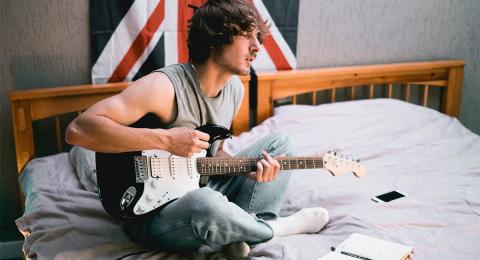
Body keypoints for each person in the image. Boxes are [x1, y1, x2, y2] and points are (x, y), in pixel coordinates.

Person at [66, 0, 328, 257]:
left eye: (258, 37)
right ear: (216, 38)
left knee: (281, 145)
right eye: (247, 35)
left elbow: (214, 155)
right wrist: (166, 141)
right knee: (206, 204)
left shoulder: (234, 89)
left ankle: (240, 232)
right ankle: (269, 228)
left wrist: (248, 170)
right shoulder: (164, 87)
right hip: (154, 212)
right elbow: (78, 130)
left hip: (198, 184)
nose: (257, 46)